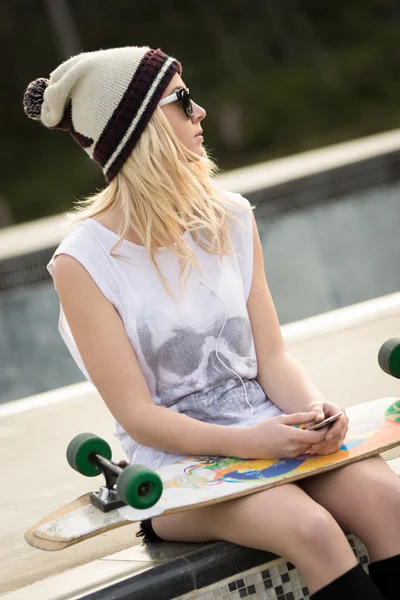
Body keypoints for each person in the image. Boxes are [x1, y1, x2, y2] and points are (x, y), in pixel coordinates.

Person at [23, 46, 400, 600]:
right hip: (177, 468)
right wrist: (252, 443)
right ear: (140, 125)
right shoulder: (82, 263)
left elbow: (271, 357)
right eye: (182, 101)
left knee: (388, 500)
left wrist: (315, 413)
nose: (200, 112)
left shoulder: (230, 215)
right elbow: (139, 417)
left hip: (272, 430)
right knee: (312, 530)